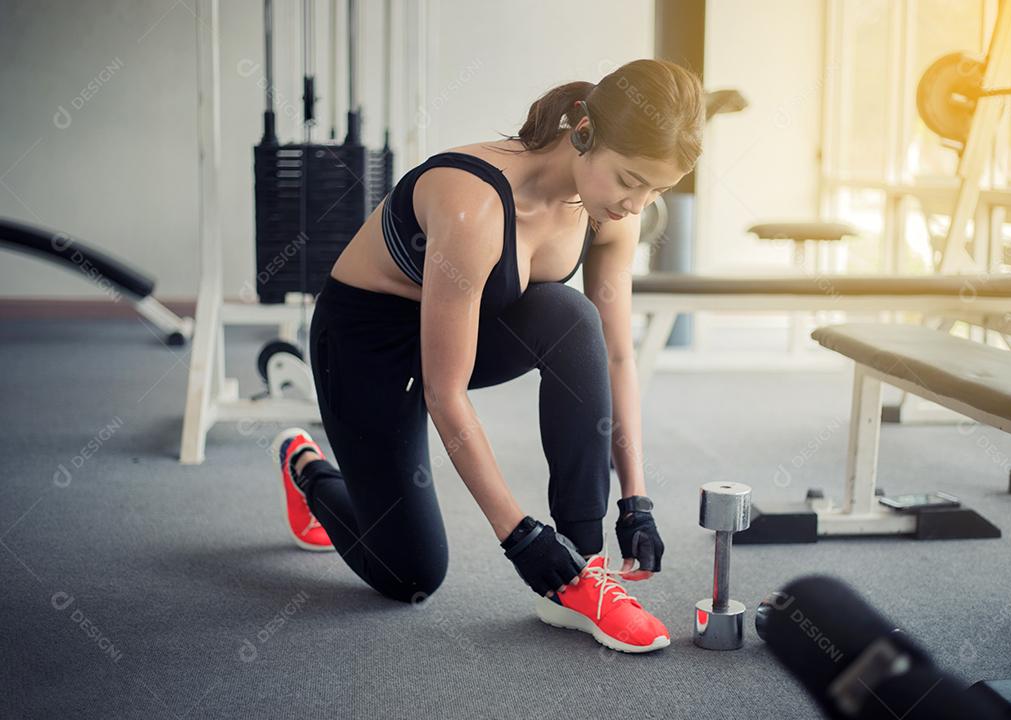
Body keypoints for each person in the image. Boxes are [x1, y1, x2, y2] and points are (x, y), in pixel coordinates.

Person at [271, 58, 705, 653]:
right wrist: (520, 537)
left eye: (657, 189)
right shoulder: (474, 201)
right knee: (411, 576)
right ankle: (308, 470)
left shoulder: (610, 214)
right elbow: (443, 392)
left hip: (464, 329)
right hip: (367, 347)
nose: (638, 204)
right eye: (631, 180)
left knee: (574, 320)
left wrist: (636, 500)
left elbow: (617, 356)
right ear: (583, 133)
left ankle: (585, 570)